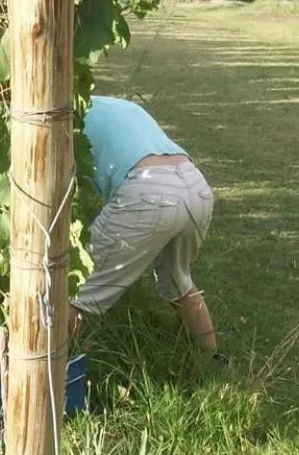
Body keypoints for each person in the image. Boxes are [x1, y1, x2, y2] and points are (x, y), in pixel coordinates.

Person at [69, 96, 219, 356]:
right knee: (179, 281)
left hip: (148, 189)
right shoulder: (116, 104)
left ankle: (56, 378)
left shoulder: (60, 115)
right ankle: (213, 362)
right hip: (195, 185)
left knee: (72, 290)